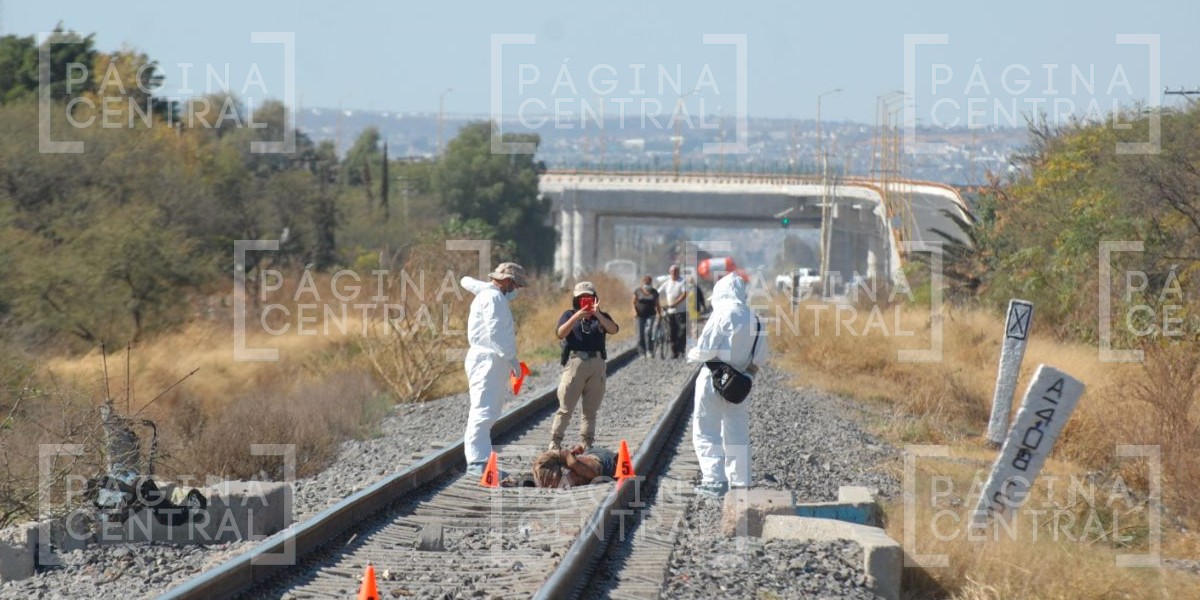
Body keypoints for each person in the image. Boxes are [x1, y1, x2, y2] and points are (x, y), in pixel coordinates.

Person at [686, 273, 770, 498]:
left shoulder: (723, 313)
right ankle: (740, 482)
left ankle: (714, 481)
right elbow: (760, 357)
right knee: (737, 432)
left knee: (706, 430)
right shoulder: (757, 319)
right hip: (740, 385)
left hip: (713, 379)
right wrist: (748, 378)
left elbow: (705, 348)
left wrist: (692, 352)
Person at [460, 262, 527, 476]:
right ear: (508, 281)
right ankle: (477, 463)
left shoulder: (489, 295)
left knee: (488, 409)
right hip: (488, 358)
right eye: (516, 286)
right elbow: (497, 332)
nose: (516, 291)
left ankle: (483, 461)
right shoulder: (494, 298)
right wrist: (512, 360)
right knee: (483, 410)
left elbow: (467, 281)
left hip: (490, 358)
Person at [549, 281, 619, 452]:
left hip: (597, 363)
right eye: (581, 298)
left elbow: (614, 329)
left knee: (590, 409)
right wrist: (576, 317)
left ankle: (586, 442)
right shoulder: (569, 315)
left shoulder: (601, 316)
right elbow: (560, 333)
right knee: (566, 407)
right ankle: (555, 442)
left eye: (588, 297)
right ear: (576, 300)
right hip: (575, 363)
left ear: (595, 298)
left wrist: (598, 314)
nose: (585, 301)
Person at [527, 445, 619, 488]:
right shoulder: (546, 478)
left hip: (603, 460)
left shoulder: (581, 468)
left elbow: (594, 475)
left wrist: (570, 457)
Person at [657, 264, 688, 358]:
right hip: (670, 312)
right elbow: (657, 292)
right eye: (672, 272)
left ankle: (681, 349)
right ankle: (674, 352)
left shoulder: (682, 282)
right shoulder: (667, 283)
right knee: (672, 332)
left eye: (675, 271)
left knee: (682, 331)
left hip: (681, 311)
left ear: (678, 272)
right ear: (670, 273)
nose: (674, 273)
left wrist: (675, 303)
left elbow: (685, 294)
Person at [631, 275, 661, 358]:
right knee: (640, 334)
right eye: (645, 282)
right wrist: (634, 311)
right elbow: (633, 303)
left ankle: (649, 350)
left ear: (651, 283)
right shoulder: (638, 291)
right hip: (640, 315)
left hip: (651, 314)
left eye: (648, 282)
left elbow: (657, 304)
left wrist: (659, 314)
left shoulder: (654, 292)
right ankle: (641, 352)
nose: (647, 284)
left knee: (648, 332)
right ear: (642, 283)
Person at [686, 275, 706, 342]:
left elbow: (701, 297)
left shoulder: (696, 288)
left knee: (694, 324)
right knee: (690, 324)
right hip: (688, 309)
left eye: (691, 280)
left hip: (695, 308)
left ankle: (695, 338)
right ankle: (691, 337)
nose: (690, 281)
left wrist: (703, 305)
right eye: (689, 280)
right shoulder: (686, 288)